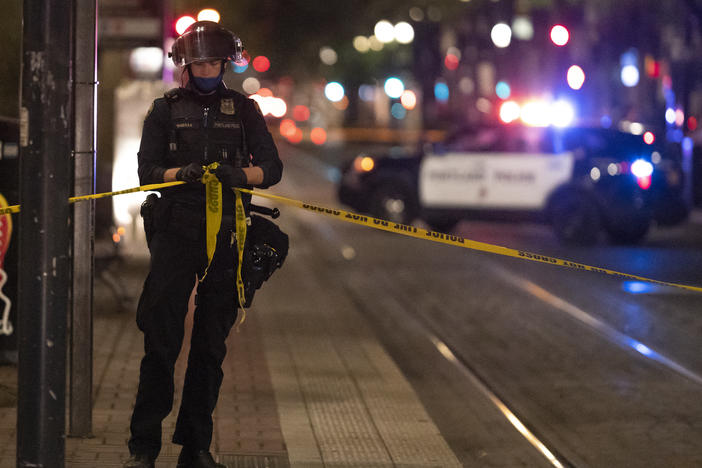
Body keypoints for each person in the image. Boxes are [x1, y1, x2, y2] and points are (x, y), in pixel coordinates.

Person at [123, 21, 283, 468]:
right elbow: (146, 173)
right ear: (186, 66)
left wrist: (241, 176)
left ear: (225, 63)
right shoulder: (164, 110)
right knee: (161, 341)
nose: (207, 69)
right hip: (175, 234)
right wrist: (181, 174)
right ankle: (143, 447)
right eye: (199, 62)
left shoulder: (245, 109)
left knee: (210, 347)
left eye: (214, 61)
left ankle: (196, 448)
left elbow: (272, 168)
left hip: (228, 235)